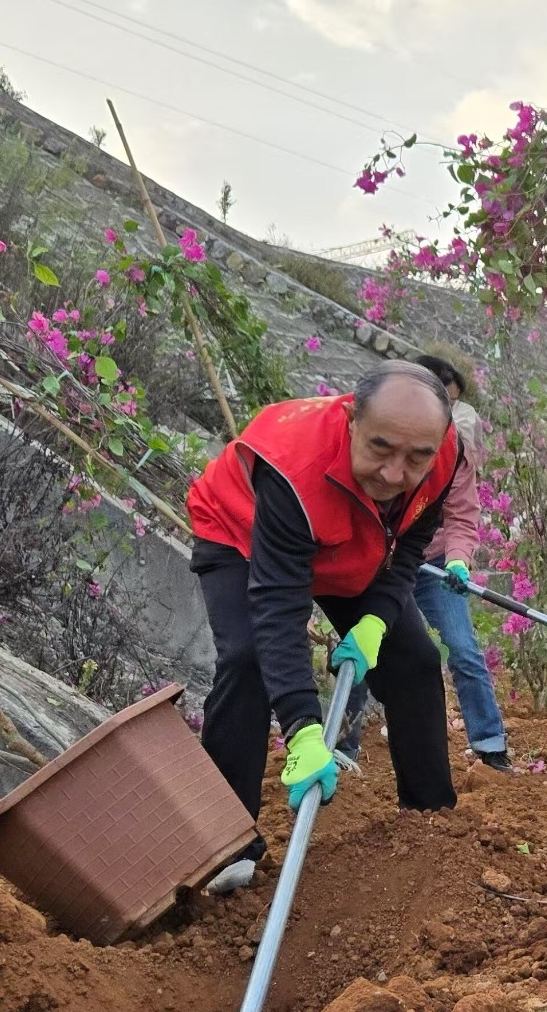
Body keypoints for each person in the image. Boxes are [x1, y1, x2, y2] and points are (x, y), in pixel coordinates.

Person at [186, 361, 462, 893]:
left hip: (351, 535)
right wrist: (303, 730)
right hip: (242, 532)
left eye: (415, 458)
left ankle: (432, 824)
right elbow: (278, 605)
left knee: (416, 661)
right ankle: (226, 845)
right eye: (380, 448)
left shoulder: (443, 457)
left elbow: (407, 542)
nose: (394, 474)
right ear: (352, 418)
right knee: (246, 661)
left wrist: (378, 620)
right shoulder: (294, 467)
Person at [338, 354, 512, 772]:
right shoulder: (374, 443)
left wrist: (457, 562)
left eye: (451, 405)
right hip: (377, 564)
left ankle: (490, 745)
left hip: (432, 566)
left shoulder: (453, 453)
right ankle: (343, 747)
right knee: (360, 648)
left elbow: (463, 515)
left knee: (463, 647)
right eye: (440, 401)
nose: (444, 415)